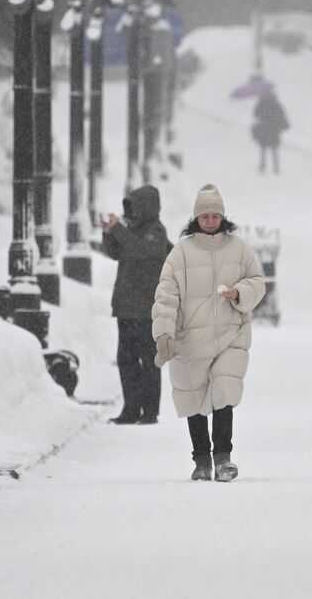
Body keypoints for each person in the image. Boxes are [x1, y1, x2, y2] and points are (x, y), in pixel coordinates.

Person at [152, 184, 266, 482]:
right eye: (206, 216)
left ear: (223, 216)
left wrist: (239, 292)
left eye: (216, 216)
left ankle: (224, 457)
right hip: (190, 338)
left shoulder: (238, 248)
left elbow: (257, 281)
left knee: (224, 393)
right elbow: (166, 295)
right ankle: (201, 459)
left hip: (231, 335)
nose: (211, 221)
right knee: (194, 396)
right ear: (197, 218)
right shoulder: (181, 253)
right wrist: (164, 332)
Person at [101, 185, 173, 424]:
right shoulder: (131, 230)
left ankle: (150, 411)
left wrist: (119, 230)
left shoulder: (156, 232)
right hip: (126, 306)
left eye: (134, 206)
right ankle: (130, 409)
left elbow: (141, 251)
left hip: (146, 308)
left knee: (149, 359)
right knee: (127, 359)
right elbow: (116, 253)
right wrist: (108, 233)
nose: (131, 211)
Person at [251, 88, 290, 174]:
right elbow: (282, 115)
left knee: (263, 148)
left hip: (264, 128)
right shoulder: (276, 104)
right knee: (274, 149)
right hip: (274, 129)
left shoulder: (262, 103)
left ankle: (263, 165)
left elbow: (255, 114)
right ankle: (275, 167)